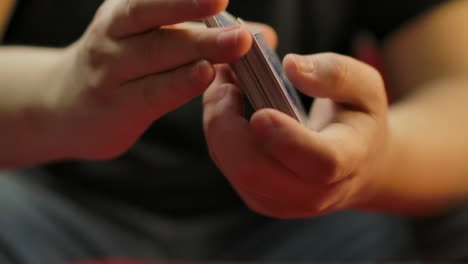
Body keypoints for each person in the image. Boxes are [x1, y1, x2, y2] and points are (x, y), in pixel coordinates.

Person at [0, 0, 468, 263]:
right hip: (47, 200)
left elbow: (457, 94)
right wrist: (63, 92)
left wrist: (371, 163)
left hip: (304, 231)